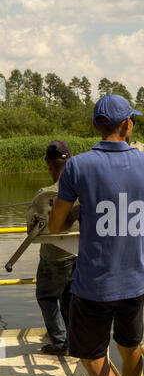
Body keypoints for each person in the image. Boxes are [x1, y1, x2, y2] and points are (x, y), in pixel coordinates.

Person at [48, 94, 144, 376]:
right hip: (134, 280)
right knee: (130, 349)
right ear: (127, 124)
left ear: (97, 126)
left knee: (91, 356)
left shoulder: (77, 167)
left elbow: (55, 227)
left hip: (93, 285)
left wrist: (85, 209)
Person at [35, 141, 77, 356]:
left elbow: (35, 228)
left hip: (54, 258)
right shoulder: (81, 189)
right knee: (69, 297)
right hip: (77, 255)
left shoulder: (45, 194)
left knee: (46, 296)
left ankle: (61, 343)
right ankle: (71, 340)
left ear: (49, 166)